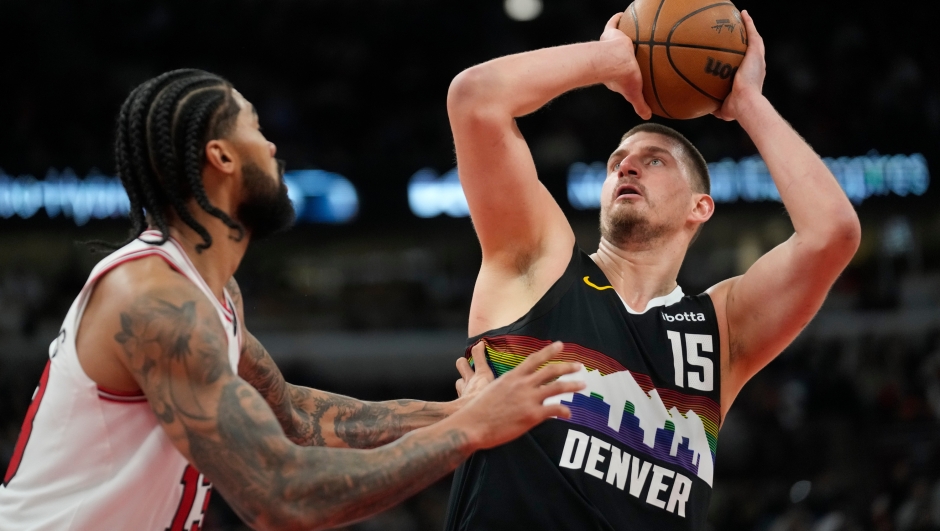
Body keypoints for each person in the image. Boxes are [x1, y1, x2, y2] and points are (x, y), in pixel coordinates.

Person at [0, 69, 587, 531]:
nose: (274, 146)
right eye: (256, 127)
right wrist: (468, 433)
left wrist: (457, 412)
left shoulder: (211, 293)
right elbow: (279, 497)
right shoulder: (153, 299)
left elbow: (297, 420)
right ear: (222, 156)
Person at [444, 11, 860, 531]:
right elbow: (475, 101)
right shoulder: (539, 264)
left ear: (699, 208)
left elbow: (832, 235)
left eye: (655, 160)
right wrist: (608, 61)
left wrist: (749, 103)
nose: (627, 166)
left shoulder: (721, 331)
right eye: (617, 161)